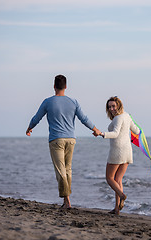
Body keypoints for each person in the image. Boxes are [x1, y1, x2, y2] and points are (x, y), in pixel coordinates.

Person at [26, 74, 101, 209]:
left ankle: (67, 201)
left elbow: (37, 118)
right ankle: (66, 200)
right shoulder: (73, 102)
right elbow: (84, 118)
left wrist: (29, 128)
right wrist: (95, 129)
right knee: (68, 169)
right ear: (66, 87)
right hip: (71, 139)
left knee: (60, 170)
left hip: (56, 140)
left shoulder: (48, 102)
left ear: (54, 86)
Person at [99, 96, 140, 215]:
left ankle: (122, 196)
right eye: (109, 107)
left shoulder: (117, 118)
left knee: (109, 178)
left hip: (117, 151)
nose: (111, 109)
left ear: (119, 105)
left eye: (113, 106)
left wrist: (102, 134)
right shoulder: (127, 116)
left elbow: (115, 133)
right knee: (118, 180)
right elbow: (137, 131)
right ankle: (117, 209)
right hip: (127, 151)